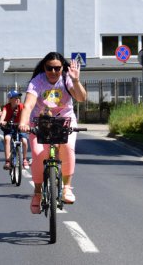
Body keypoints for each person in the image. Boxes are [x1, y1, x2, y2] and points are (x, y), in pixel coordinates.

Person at [18, 52, 86, 214]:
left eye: (57, 68)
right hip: (41, 122)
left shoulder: (66, 78)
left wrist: (75, 80)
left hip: (65, 122)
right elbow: (28, 105)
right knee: (38, 152)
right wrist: (23, 123)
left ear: (62, 67)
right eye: (50, 68)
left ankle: (67, 188)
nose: (53, 72)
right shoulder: (38, 81)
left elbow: (81, 98)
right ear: (44, 67)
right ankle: (37, 193)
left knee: (67, 148)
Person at [0, 90, 29, 170]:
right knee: (7, 138)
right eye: (15, 97)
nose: (18, 99)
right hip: (10, 127)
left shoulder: (21, 106)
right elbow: (3, 115)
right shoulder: (6, 107)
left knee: (24, 141)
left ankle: (25, 159)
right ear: (10, 99)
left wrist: (25, 123)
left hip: (20, 127)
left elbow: (26, 116)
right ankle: (7, 161)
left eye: (18, 97)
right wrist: (2, 121)